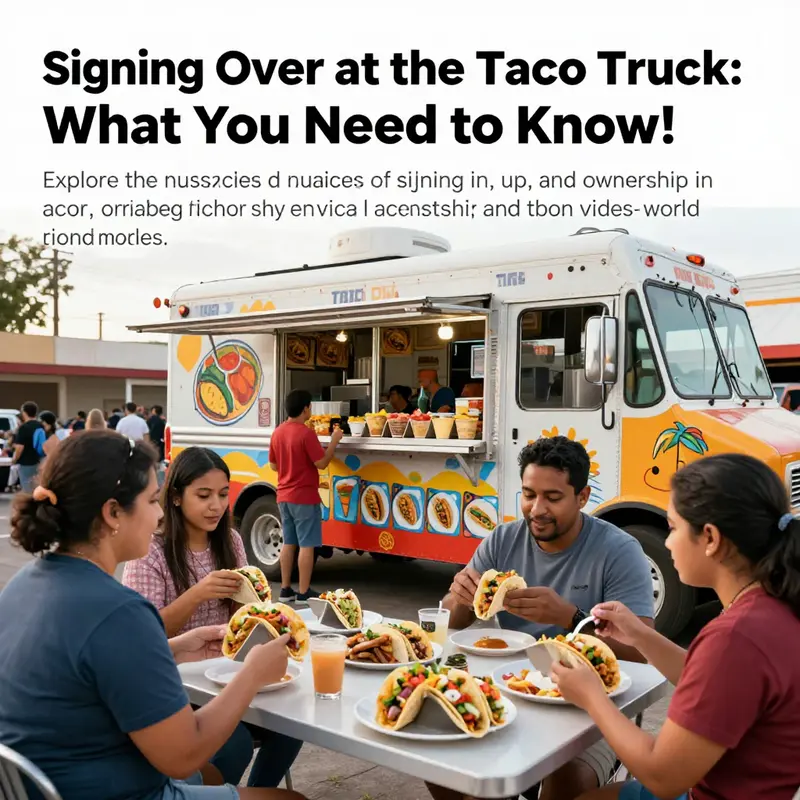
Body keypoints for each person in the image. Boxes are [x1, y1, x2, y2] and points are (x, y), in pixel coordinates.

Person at [0, 430, 306, 800]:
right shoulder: (120, 612)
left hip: (48, 782)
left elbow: (94, 666)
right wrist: (254, 673)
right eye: (150, 500)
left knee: (209, 774)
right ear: (112, 512)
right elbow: (182, 755)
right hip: (116, 789)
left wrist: (175, 647)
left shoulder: (23, 584)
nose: (160, 512)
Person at [552, 453, 800, 800]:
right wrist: (640, 635)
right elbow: (715, 684)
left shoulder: (735, 637)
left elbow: (662, 776)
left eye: (672, 528)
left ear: (710, 538)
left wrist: (591, 696)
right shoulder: (772, 606)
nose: (667, 543)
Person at [429, 436, 654, 800]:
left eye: (553, 497)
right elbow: (451, 621)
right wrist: (460, 597)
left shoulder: (618, 551)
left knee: (568, 782)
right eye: (528, 494)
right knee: (442, 761)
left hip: (593, 704)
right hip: (513, 686)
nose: (537, 509)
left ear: (582, 497)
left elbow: (642, 649)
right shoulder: (503, 540)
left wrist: (570, 617)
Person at [123, 446, 303, 788]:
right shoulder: (151, 551)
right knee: (232, 745)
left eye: (223, 494)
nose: (216, 505)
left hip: (227, 672)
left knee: (292, 724)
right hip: (176, 683)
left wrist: (258, 609)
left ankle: (253, 794)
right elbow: (143, 634)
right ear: (175, 497)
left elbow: (241, 618)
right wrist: (197, 593)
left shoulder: (231, 540)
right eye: (203, 495)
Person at [268, 389, 342, 602]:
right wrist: (335, 440)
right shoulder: (306, 433)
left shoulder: (278, 432)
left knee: (289, 542)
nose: (310, 410)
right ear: (305, 408)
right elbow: (321, 463)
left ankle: (285, 590)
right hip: (304, 496)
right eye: (310, 406)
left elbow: (273, 465)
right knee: (307, 545)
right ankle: (303, 591)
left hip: (283, 495)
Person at [11, 401, 43, 494]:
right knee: (37, 487)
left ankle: (30, 507)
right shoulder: (40, 425)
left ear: (24, 412)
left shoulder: (24, 428)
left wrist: (14, 459)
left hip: (26, 462)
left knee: (27, 489)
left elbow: (19, 448)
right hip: (39, 460)